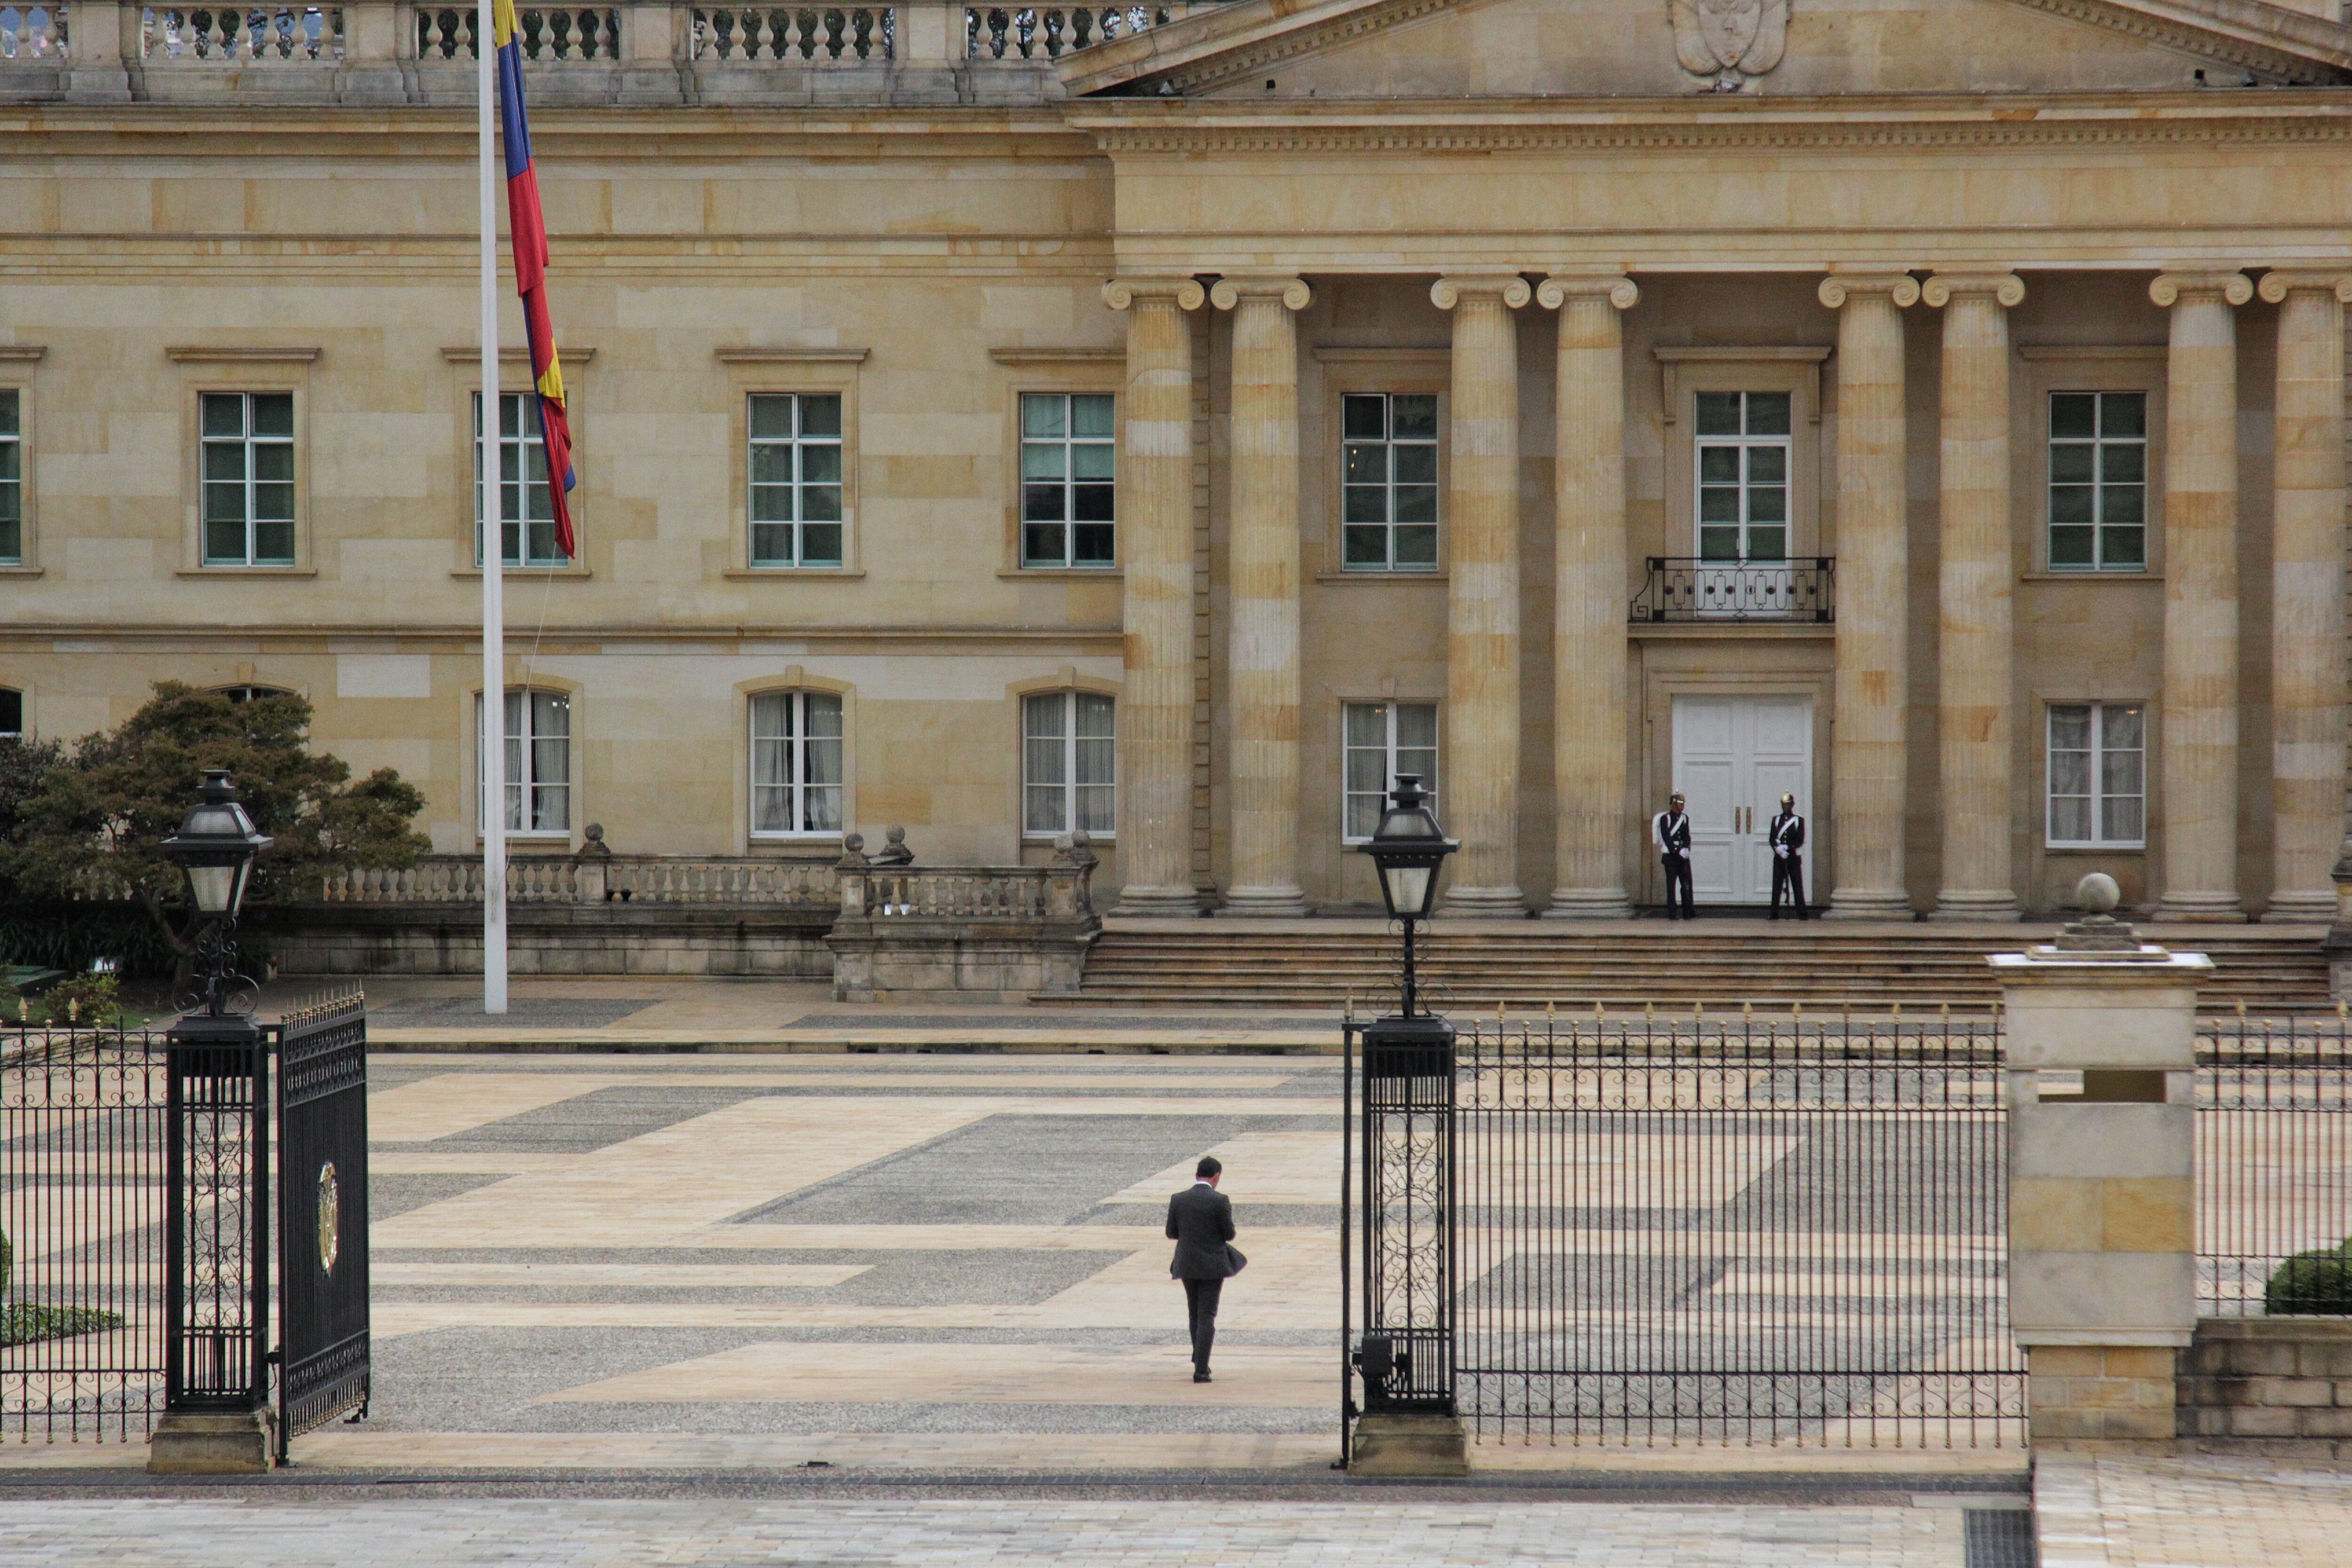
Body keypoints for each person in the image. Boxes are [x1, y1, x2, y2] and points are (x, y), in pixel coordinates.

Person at [1166, 1154, 1240, 1383]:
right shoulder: (1220, 1200)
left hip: (1187, 1263)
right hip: (1213, 1265)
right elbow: (1229, 1234)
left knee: (1194, 1312)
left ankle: (1199, 1358)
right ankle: (1201, 1368)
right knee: (1207, 1314)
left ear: (1197, 1175)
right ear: (1216, 1176)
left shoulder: (1178, 1199)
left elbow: (1171, 1233)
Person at [1653, 791, 1694, 920]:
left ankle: (1688, 911)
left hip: (1683, 855)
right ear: (1674, 804)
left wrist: (1686, 848)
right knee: (1671, 885)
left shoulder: (1685, 818)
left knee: (1687, 884)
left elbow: (1686, 836)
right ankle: (1673, 912)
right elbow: (1666, 837)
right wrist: (1677, 851)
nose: (1682, 806)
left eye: (1683, 803)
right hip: (1671, 856)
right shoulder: (1666, 818)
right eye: (1680, 803)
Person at [1769, 792, 1810, 921]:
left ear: (1792, 805)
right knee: (1777, 886)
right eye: (1784, 805)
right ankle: (1774, 912)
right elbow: (1772, 837)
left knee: (1797, 885)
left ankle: (1802, 913)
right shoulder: (1776, 820)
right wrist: (1778, 849)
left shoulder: (1798, 820)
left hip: (1792, 857)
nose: (1786, 807)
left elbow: (1800, 839)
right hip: (1780, 856)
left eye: (1788, 805)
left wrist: (1789, 847)